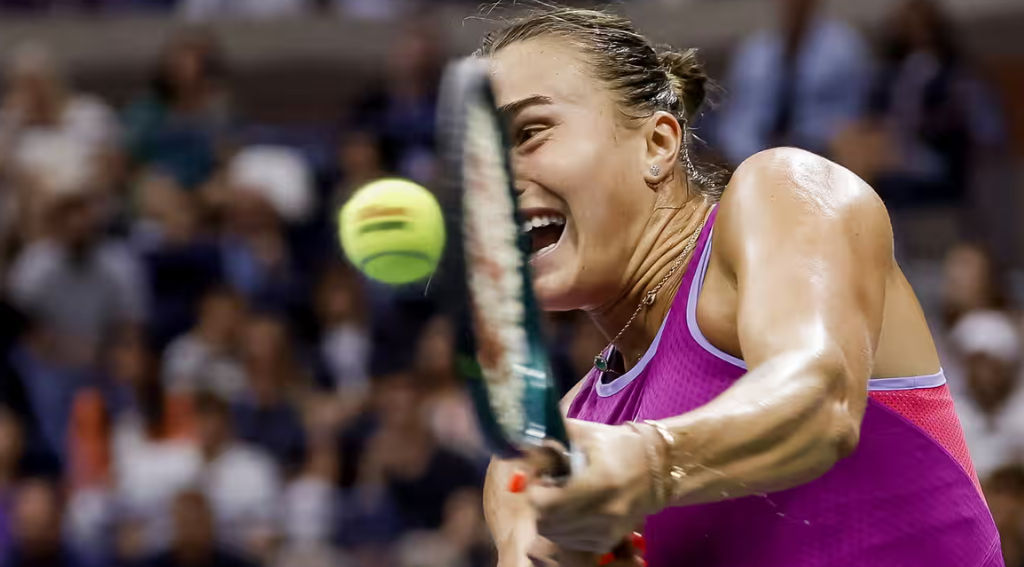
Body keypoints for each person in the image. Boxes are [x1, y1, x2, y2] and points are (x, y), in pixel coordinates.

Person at [477, 7, 1001, 567]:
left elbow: (820, 398)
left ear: (657, 144)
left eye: (530, 133)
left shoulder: (785, 192)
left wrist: (648, 461)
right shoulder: (534, 455)